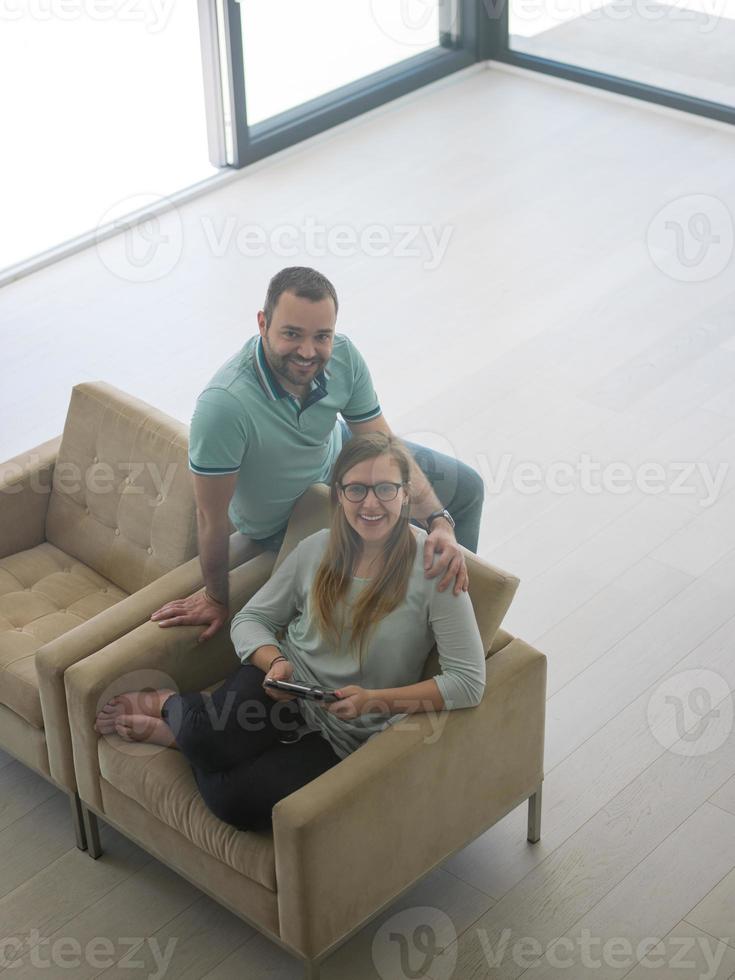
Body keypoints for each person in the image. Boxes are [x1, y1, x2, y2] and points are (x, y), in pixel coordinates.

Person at [95, 433, 486, 831]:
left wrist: (375, 701)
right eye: (356, 489)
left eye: (385, 489)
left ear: (406, 495)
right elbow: (251, 620)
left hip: (346, 728)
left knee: (236, 802)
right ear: (339, 494)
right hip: (285, 682)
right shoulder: (317, 548)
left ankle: (177, 734)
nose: (370, 503)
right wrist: (275, 662)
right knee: (208, 741)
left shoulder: (437, 571)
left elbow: (468, 682)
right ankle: (170, 705)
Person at [150, 266, 485, 642]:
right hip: (290, 515)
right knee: (387, 560)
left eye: (321, 336)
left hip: (338, 456)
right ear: (263, 324)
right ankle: (426, 630)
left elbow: (384, 444)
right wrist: (215, 596)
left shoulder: (343, 356)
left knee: (466, 489)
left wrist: (438, 520)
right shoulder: (224, 406)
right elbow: (209, 515)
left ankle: (455, 612)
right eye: (292, 334)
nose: (308, 352)